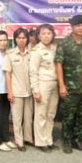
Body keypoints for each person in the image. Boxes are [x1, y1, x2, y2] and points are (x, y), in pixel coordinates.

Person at [55, 15, 82, 154]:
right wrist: (61, 85)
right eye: (78, 26)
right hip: (70, 87)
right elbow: (58, 64)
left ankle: (77, 140)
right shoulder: (64, 43)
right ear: (72, 27)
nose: (81, 28)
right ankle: (66, 141)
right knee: (69, 116)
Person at [3, 28, 33, 152]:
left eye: (24, 38)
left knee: (28, 117)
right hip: (16, 92)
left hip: (29, 92)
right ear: (15, 39)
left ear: (27, 39)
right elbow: (8, 74)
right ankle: (19, 142)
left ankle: (27, 138)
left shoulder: (31, 54)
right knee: (17, 119)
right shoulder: (10, 54)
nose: (21, 40)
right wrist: (9, 91)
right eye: (19, 38)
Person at [29, 24, 58, 153]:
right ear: (39, 36)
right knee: (41, 114)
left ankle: (48, 139)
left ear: (53, 35)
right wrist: (35, 90)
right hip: (43, 84)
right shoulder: (36, 50)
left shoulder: (55, 48)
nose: (46, 36)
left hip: (55, 84)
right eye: (43, 33)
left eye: (49, 33)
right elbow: (33, 71)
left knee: (51, 114)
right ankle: (41, 142)